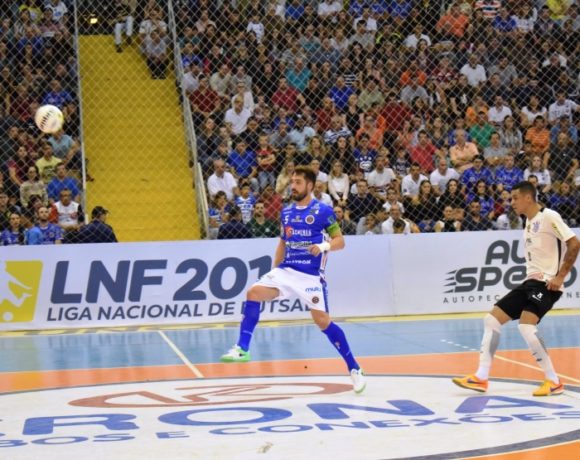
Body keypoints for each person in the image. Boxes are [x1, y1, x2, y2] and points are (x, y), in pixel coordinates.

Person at [220, 166, 366, 393]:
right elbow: (282, 243)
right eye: (292, 182)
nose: (293, 186)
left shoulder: (323, 211)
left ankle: (354, 368)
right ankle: (242, 348)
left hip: (310, 277)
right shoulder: (286, 212)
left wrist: (323, 246)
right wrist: (274, 273)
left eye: (298, 182)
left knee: (323, 322)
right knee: (254, 292)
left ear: (310, 185)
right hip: (286, 271)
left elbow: (340, 241)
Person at [453, 181, 580, 396]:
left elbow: (574, 243)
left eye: (515, 198)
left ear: (528, 198)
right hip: (530, 282)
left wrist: (560, 277)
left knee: (526, 326)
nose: (511, 202)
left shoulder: (549, 216)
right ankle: (481, 377)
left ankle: (553, 380)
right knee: (491, 319)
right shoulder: (528, 222)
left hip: (547, 284)